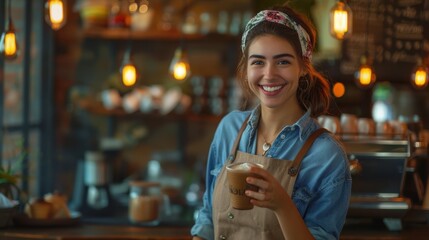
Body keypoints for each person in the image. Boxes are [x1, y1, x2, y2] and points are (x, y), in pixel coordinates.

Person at [191, 3, 351, 240]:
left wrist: (282, 205)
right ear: (246, 69)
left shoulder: (326, 156)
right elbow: (206, 218)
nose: (269, 74)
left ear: (304, 68)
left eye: (283, 61)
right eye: (258, 62)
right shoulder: (230, 128)